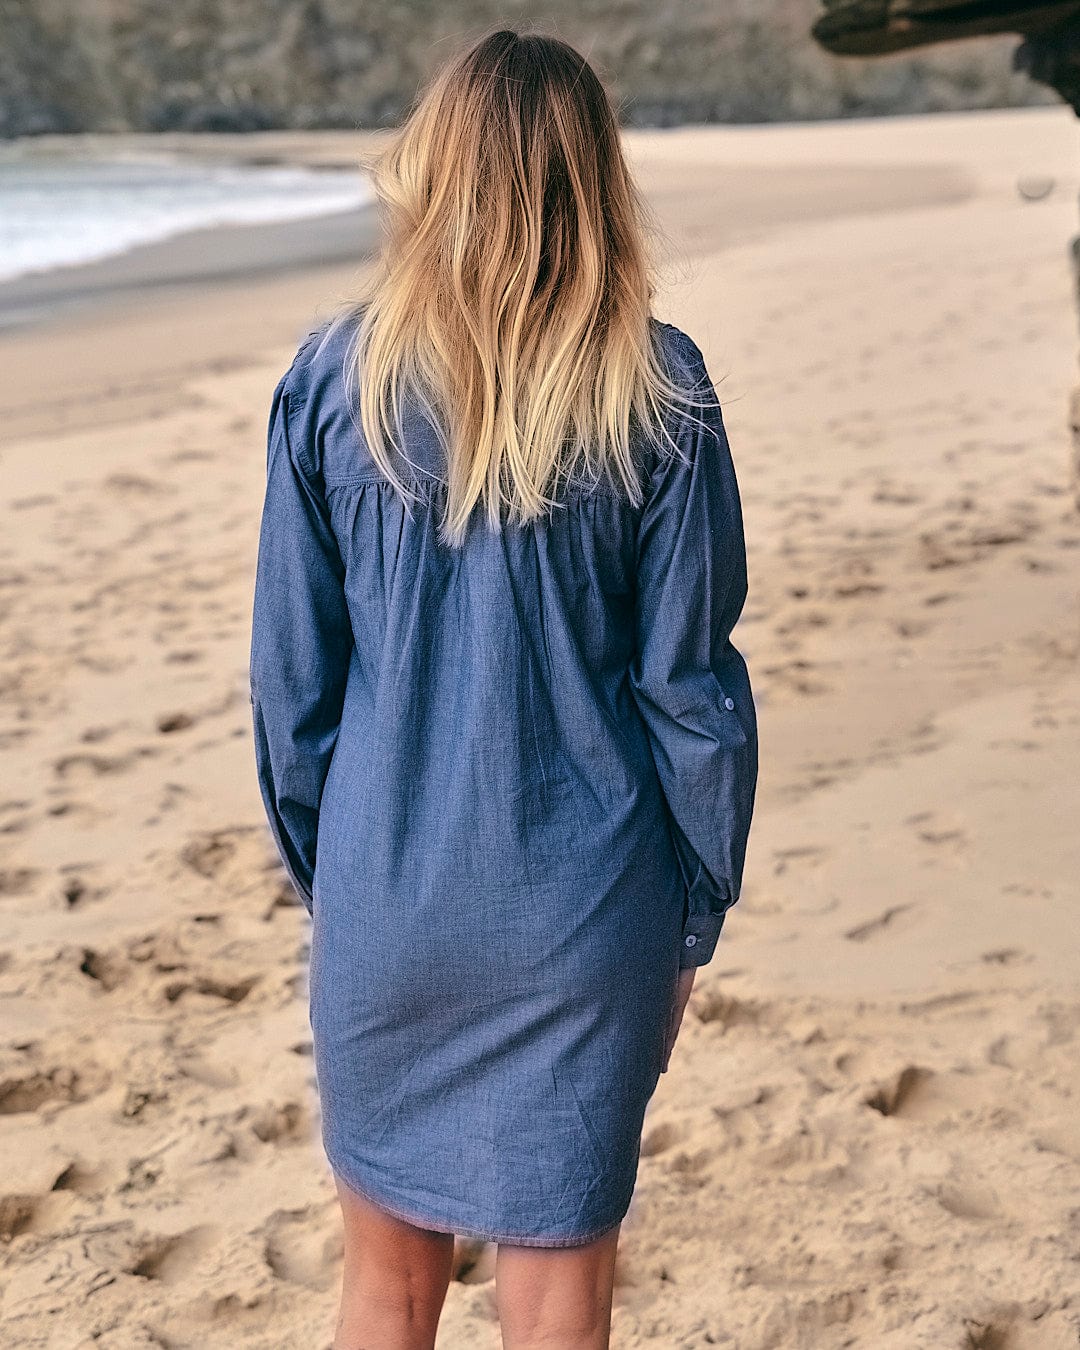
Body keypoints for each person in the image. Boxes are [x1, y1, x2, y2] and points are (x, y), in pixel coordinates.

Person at [249, 26, 758, 1350]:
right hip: (589, 913)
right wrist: (694, 910)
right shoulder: (662, 384)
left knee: (386, 1290)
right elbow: (690, 688)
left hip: (391, 902)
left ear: (436, 171)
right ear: (595, 179)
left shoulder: (331, 382)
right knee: (556, 1301)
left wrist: (347, 880)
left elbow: (292, 693)